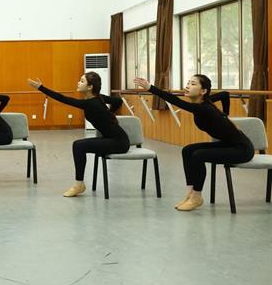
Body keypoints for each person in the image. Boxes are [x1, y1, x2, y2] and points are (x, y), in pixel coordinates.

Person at [134, 75, 253, 211]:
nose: (187, 86)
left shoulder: (204, 108)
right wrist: (225, 115)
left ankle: (197, 197)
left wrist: (150, 88)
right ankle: (190, 193)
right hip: (229, 145)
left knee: (198, 155)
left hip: (242, 150)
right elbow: (225, 94)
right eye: (188, 83)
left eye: (193, 84)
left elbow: (175, 101)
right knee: (188, 150)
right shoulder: (206, 102)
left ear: (203, 91)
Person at [28, 72, 128, 197]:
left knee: (79, 146)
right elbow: (118, 101)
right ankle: (79, 184)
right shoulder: (99, 98)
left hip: (118, 142)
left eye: (82, 81)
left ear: (90, 87)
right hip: (115, 139)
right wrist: (110, 113)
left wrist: (41, 88)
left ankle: (79, 185)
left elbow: (62, 98)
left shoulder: (91, 103)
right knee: (79, 145)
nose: (78, 83)